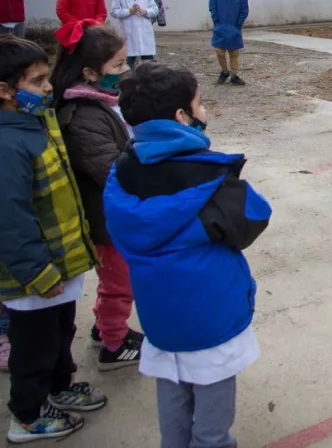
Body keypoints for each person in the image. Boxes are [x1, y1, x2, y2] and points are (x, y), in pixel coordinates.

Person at [103, 62, 271, 448]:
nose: (204, 109)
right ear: (182, 117)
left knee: (173, 403)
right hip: (211, 319)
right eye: (199, 103)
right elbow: (254, 214)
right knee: (212, 427)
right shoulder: (207, 175)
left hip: (160, 317)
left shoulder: (121, 172)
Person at [0, 35, 105, 443]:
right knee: (33, 347)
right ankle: (27, 415)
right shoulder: (8, 145)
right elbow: (9, 220)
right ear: (5, 91)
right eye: (37, 82)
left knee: (60, 333)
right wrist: (37, 273)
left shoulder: (37, 121)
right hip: (34, 275)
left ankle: (59, 388)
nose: (48, 88)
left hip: (57, 264)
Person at [50, 20, 143, 372]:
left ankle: (105, 326)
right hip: (105, 216)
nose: (125, 70)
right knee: (120, 282)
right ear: (89, 72)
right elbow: (111, 168)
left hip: (111, 211)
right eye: (118, 65)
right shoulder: (82, 115)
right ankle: (114, 345)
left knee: (115, 280)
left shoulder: (99, 100)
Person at [111, 0, 158, 68]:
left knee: (149, 64)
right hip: (129, 32)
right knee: (128, 64)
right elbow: (114, 12)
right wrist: (129, 11)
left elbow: (155, 10)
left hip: (145, 31)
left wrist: (145, 11)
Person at [209, 0, 249, 86]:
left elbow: (244, 10)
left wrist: (238, 24)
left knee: (233, 52)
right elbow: (212, 6)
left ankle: (234, 75)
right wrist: (216, 21)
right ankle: (224, 71)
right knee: (219, 50)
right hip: (220, 26)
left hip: (234, 27)